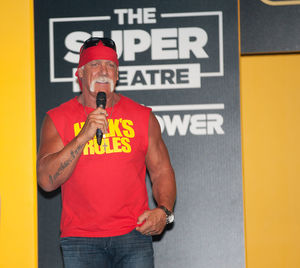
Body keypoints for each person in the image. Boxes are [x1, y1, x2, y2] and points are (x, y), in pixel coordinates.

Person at [37, 37, 176, 268]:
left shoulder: (142, 116)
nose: (104, 71)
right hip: (81, 240)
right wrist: (83, 135)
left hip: (134, 235)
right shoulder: (57, 118)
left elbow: (162, 171)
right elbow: (46, 181)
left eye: (110, 65)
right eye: (94, 64)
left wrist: (164, 211)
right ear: (79, 74)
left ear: (118, 74)